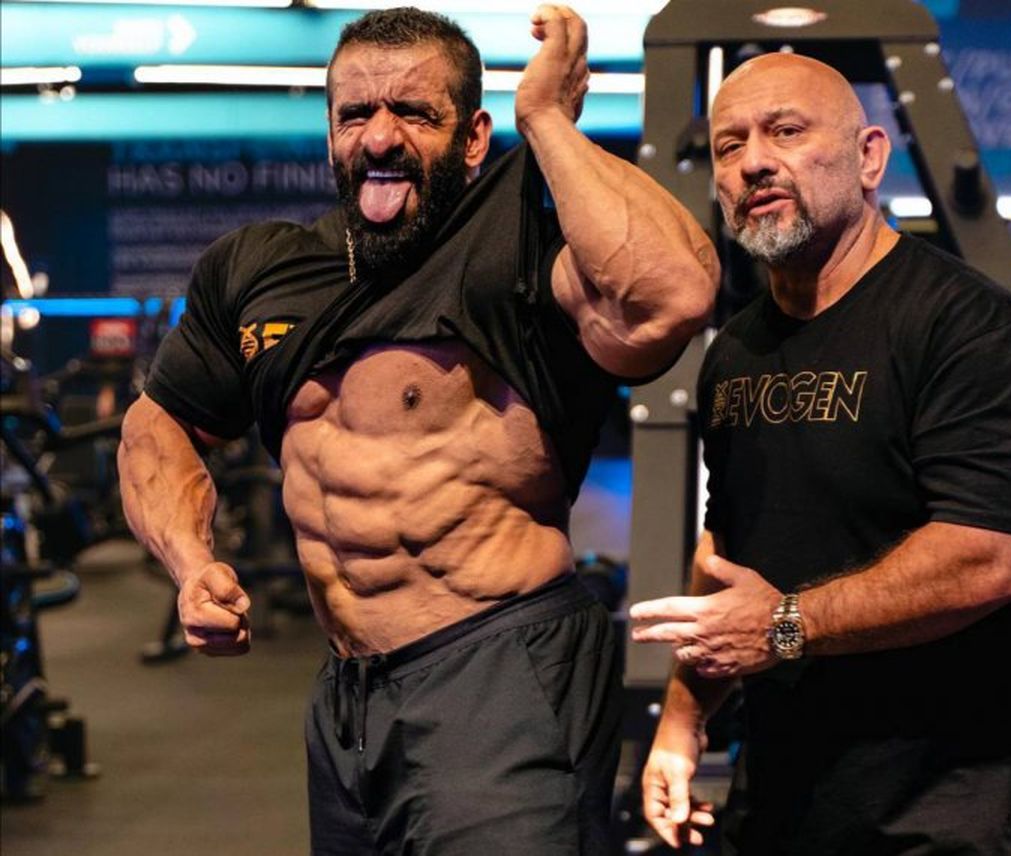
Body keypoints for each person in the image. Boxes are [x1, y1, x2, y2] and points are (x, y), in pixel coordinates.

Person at [117, 6, 717, 854]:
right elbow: (159, 422)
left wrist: (546, 121)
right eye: (355, 114)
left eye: (413, 113)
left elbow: (675, 295)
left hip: (500, 667)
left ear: (473, 138)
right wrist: (190, 565)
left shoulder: (522, 259)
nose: (380, 137)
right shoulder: (260, 269)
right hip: (349, 697)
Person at [630, 52, 1011, 854]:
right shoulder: (736, 352)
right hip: (788, 795)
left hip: (949, 809)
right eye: (730, 145)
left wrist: (784, 626)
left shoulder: (971, 329)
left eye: (786, 131)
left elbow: (991, 561)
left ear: (870, 157)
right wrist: (682, 721)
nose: (754, 161)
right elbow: (728, 548)